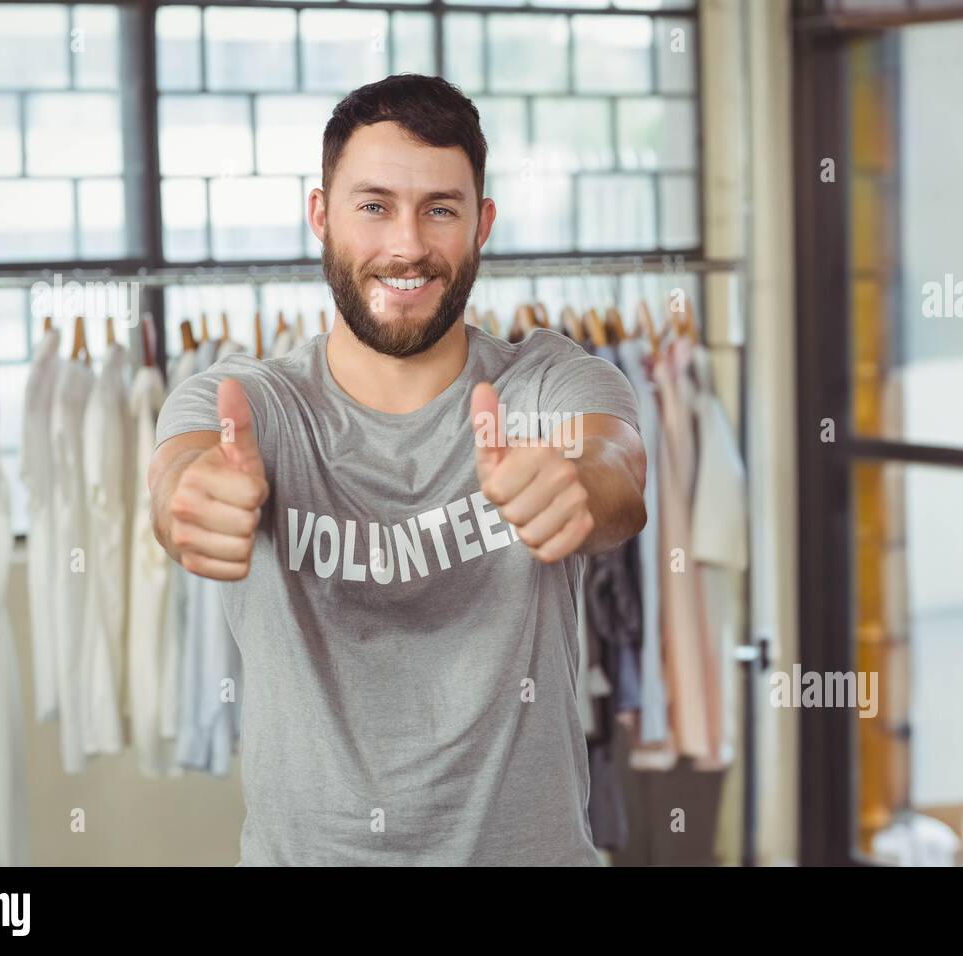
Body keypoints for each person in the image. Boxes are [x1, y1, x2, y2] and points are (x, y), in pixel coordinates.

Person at [148, 74, 647, 865]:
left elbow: (616, 464)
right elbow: (181, 467)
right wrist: (192, 498)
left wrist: (580, 486)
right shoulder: (248, 403)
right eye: (374, 205)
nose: (407, 245)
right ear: (321, 215)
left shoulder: (548, 380)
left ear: (481, 224)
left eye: (439, 209)